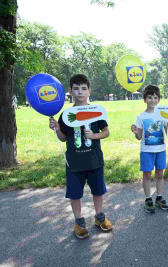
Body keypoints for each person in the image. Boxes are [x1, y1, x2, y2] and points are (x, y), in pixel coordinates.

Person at [49, 74, 112, 239]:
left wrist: (94, 136)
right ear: (70, 91)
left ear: (89, 90)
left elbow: (106, 132)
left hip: (95, 160)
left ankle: (100, 217)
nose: (80, 92)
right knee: (75, 194)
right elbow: (64, 138)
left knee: (98, 191)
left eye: (84, 88)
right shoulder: (66, 114)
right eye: (76, 88)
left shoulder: (96, 111)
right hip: (74, 163)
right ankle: (79, 222)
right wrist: (57, 129)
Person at [131, 85, 168, 213]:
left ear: (159, 99)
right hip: (146, 151)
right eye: (150, 97)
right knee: (147, 175)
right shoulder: (141, 117)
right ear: (145, 99)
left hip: (161, 150)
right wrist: (135, 132)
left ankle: (159, 198)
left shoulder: (163, 115)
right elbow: (139, 137)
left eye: (156, 97)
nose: (153, 100)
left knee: (160, 175)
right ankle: (148, 199)